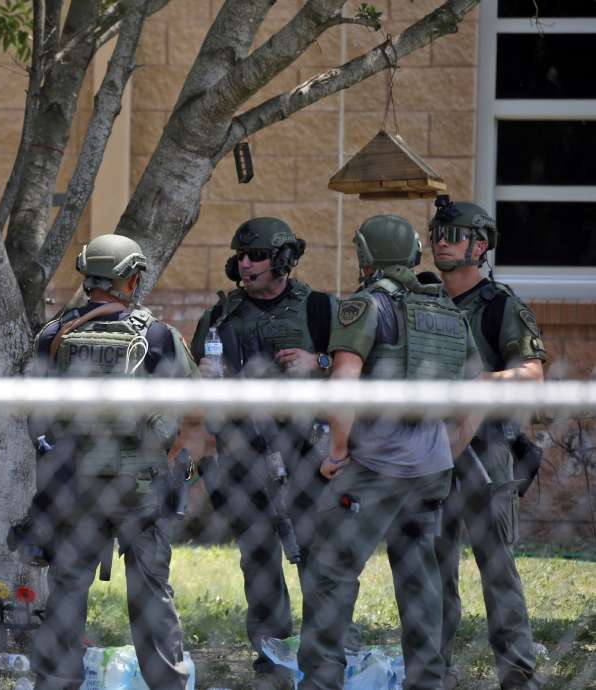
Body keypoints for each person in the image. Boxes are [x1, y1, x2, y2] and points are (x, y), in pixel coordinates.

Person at [297, 215, 482, 690]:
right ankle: (428, 679)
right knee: (419, 574)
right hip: (432, 470)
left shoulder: (366, 306)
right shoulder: (446, 312)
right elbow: (474, 400)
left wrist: (337, 451)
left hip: (376, 466)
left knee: (330, 568)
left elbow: (343, 382)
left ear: (364, 256)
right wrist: (446, 451)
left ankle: (321, 680)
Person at [22, 234, 196, 690]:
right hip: (139, 483)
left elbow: (35, 412)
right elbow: (193, 410)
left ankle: (58, 680)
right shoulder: (157, 337)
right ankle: (167, 683)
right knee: (150, 591)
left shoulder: (53, 337)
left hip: (74, 483)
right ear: (133, 278)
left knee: (67, 588)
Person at [189, 218, 336, 689]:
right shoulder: (220, 316)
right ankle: (272, 658)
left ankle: (325, 655)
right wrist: (205, 375)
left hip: (307, 452)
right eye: (241, 256)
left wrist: (321, 363)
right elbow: (196, 386)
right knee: (258, 556)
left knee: (319, 553)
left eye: (256, 256)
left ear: (284, 260)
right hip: (242, 454)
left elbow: (360, 368)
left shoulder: (319, 310)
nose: (245, 264)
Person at [429, 198, 544, 690]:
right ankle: (433, 668)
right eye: (437, 232)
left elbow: (532, 373)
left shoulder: (502, 306)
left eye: (452, 234)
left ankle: (518, 671)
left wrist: (487, 381)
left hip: (487, 449)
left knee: (496, 567)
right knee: (433, 567)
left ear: (480, 245)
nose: (440, 241)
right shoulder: (423, 300)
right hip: (429, 447)